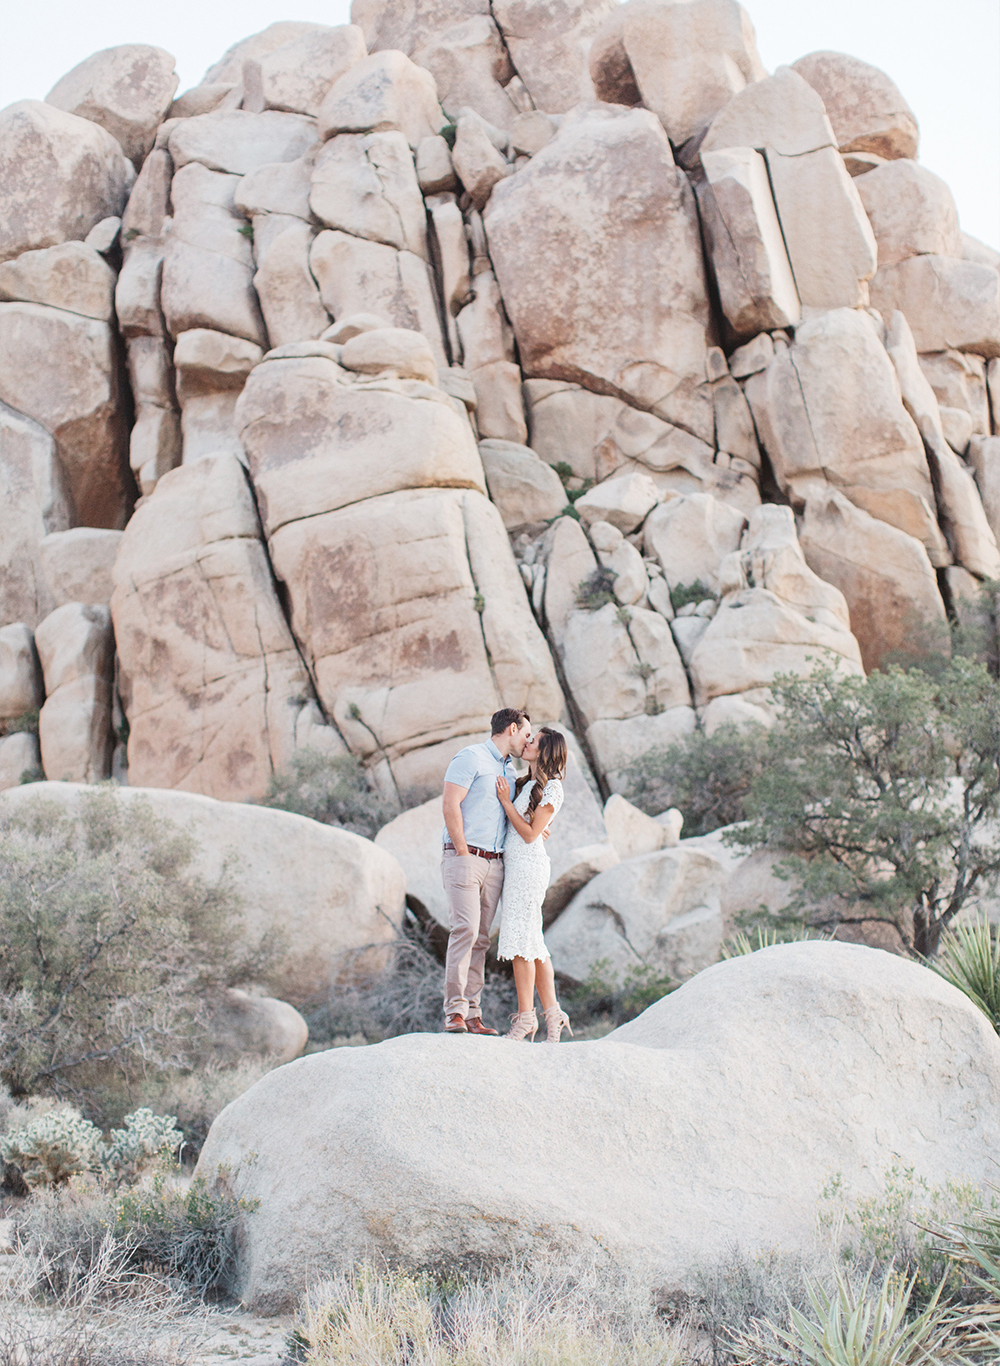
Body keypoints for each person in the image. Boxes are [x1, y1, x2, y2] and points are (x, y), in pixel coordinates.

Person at [440, 707, 532, 1034]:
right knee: (464, 930)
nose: (527, 740)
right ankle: (454, 1011)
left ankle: (472, 1015)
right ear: (511, 729)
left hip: (495, 863)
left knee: (480, 940)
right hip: (465, 858)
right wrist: (464, 852)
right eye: (525, 734)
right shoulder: (471, 757)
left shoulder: (508, 769)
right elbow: (450, 803)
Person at [495, 727, 572, 1043]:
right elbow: (529, 828)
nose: (526, 743)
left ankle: (526, 1018)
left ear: (546, 751)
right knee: (533, 943)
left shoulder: (553, 788)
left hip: (528, 868)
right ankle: (553, 1015)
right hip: (516, 867)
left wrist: (505, 802)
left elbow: (529, 834)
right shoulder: (525, 784)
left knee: (520, 943)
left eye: (533, 741)